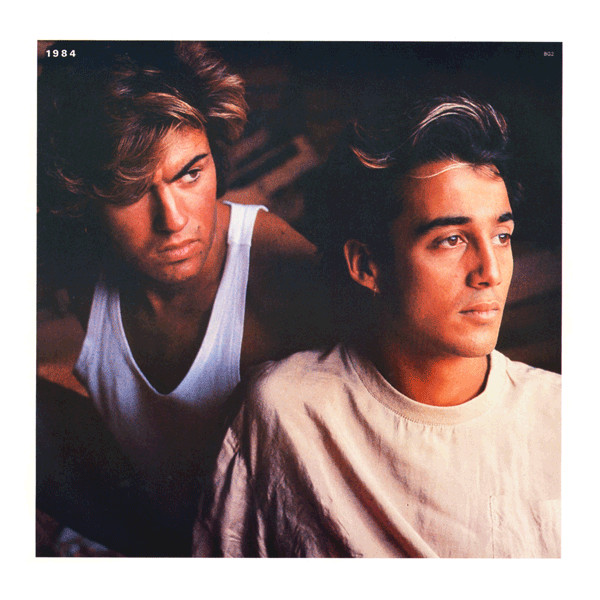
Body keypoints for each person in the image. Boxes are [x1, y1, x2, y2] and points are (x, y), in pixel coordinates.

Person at [193, 94, 561, 558]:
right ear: (367, 266)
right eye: (451, 240)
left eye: (501, 236)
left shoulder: (563, 416)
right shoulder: (286, 412)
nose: (490, 271)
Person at [36, 41, 330, 555]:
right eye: (130, 190)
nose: (173, 221)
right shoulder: (80, 270)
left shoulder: (283, 273)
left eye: (190, 173)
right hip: (168, 541)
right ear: (84, 198)